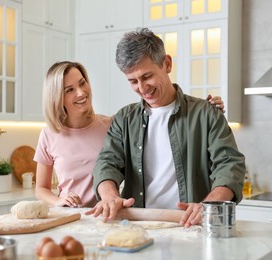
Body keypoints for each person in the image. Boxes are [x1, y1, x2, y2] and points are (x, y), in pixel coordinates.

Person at [85, 28, 246, 227]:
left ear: (167, 64)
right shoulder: (124, 119)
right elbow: (107, 163)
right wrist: (109, 195)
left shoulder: (206, 113)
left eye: (147, 77)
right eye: (133, 81)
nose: (142, 89)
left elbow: (229, 164)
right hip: (139, 226)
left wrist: (209, 204)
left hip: (192, 224)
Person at [33, 61, 226, 208]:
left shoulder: (113, 123)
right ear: (57, 96)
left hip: (108, 213)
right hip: (70, 214)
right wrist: (58, 200)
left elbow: (162, 109)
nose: (81, 92)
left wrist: (205, 108)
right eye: (69, 90)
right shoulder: (49, 135)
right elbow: (41, 188)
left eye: (83, 83)